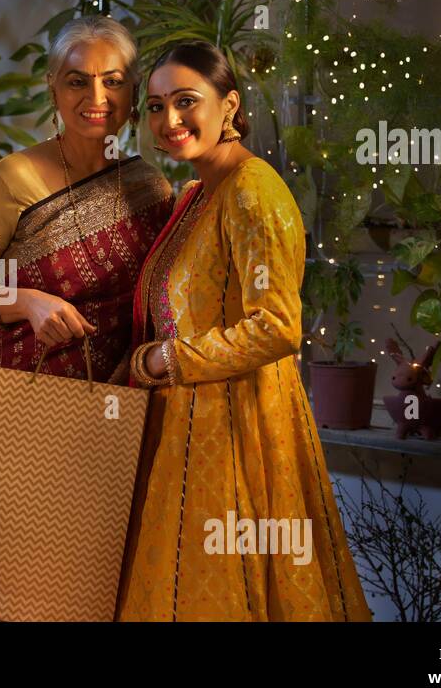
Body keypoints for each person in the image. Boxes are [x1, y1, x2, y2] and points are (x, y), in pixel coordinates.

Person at [117, 40, 370, 621]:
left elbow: (277, 327)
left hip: (240, 427)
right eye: (155, 107)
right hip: (193, 423)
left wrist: (165, 362)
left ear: (228, 105)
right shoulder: (202, 192)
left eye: (186, 101)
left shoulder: (253, 192)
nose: (170, 120)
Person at [0, 15, 175, 525]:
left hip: (113, 405)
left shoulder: (151, 189)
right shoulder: (15, 177)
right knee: (2, 573)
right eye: (76, 79)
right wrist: (25, 301)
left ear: (134, 91)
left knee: (91, 571)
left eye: (113, 81)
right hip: (16, 404)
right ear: (53, 87)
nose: (97, 96)